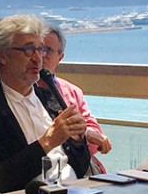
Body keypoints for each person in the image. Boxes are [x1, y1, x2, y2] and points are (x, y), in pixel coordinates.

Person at [0, 14, 91, 193]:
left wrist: (77, 141)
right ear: (2, 56)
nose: (38, 58)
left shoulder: (48, 98)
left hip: (74, 193)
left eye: (42, 49)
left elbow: (81, 166)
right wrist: (48, 142)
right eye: (29, 50)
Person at [39, 24, 112, 173]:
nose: (40, 55)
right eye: (37, 49)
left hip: (80, 166)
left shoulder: (71, 91)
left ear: (60, 57)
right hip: (47, 168)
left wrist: (87, 133)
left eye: (47, 50)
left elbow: (94, 135)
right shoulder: (24, 93)